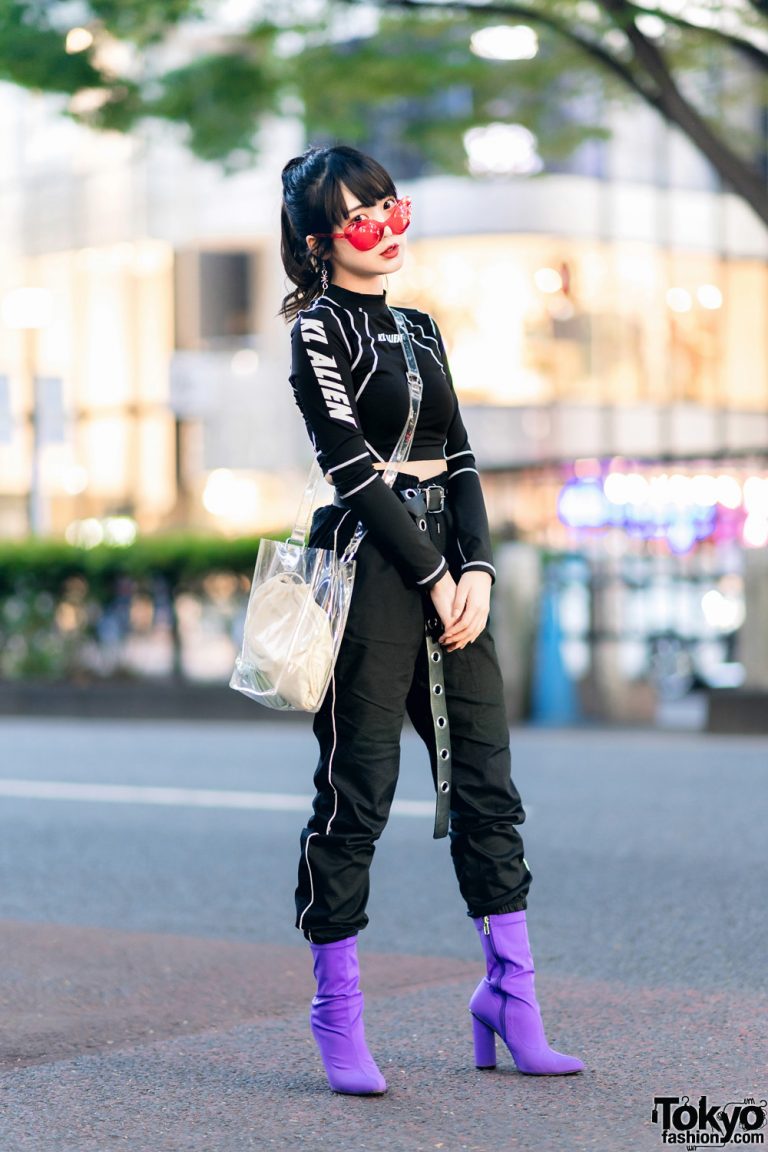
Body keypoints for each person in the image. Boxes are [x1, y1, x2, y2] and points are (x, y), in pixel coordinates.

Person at [280, 144, 584, 1095]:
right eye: (362, 214)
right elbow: (350, 466)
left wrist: (478, 570)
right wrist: (431, 578)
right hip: (372, 571)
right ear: (321, 239)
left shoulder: (419, 328)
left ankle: (513, 1000)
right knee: (358, 793)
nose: (385, 226)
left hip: (455, 575)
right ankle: (338, 1017)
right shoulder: (317, 330)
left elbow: (458, 457)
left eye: (390, 204)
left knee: (488, 788)